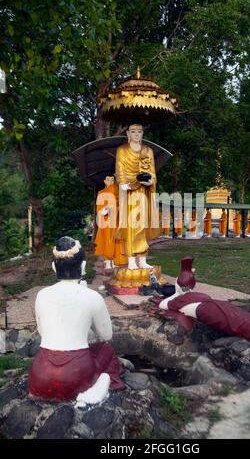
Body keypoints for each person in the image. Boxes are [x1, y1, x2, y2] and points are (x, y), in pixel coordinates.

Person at [28, 236, 125, 404]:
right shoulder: (92, 297)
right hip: (76, 374)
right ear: (83, 266)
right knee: (106, 350)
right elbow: (106, 335)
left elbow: (43, 332)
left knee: (95, 351)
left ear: (53, 267)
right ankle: (98, 388)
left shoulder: (41, 295)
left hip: (39, 375)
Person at [158, 257, 250, 361]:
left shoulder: (180, 299)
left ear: (178, 287)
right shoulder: (200, 294)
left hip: (210, 311)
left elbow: (162, 304)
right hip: (221, 306)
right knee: (249, 320)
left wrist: (176, 293)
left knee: (243, 325)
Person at [115, 124, 159, 270]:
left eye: (139, 132)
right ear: (128, 133)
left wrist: (149, 180)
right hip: (129, 192)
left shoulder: (148, 150)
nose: (136, 134)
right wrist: (123, 183)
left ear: (142, 134)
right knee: (131, 226)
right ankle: (131, 260)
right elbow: (120, 169)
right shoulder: (122, 150)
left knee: (142, 225)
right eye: (133, 132)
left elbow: (152, 172)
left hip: (143, 192)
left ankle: (142, 258)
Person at [94, 174, 127, 268]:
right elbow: (99, 207)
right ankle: (108, 262)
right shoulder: (101, 192)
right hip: (106, 220)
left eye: (112, 180)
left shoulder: (118, 193)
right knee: (108, 240)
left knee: (116, 241)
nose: (110, 182)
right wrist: (103, 211)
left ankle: (115, 261)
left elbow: (121, 204)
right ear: (104, 181)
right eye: (108, 180)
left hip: (116, 220)